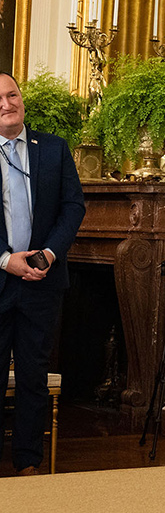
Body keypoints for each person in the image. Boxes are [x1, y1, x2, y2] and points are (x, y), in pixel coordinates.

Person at [0, 71, 85, 476]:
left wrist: (49, 254)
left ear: (22, 98)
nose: (6, 104)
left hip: (41, 282)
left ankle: (28, 464)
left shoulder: (53, 148)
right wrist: (5, 260)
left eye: (11, 94)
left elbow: (73, 207)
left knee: (34, 377)